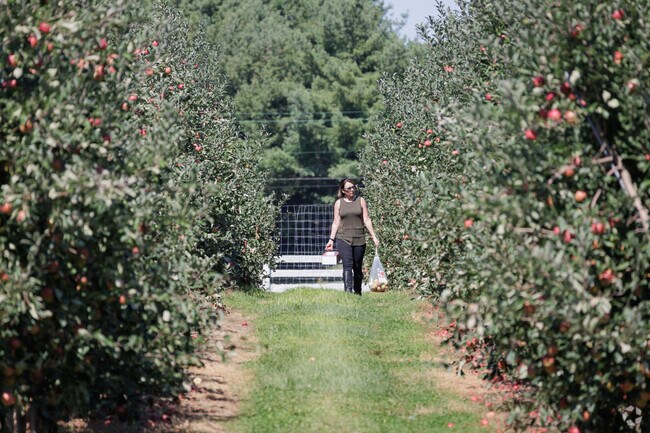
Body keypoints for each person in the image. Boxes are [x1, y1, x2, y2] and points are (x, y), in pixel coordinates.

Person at [325, 178, 379, 295]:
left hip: (359, 238)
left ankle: (358, 292)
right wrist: (331, 239)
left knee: (357, 266)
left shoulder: (361, 201)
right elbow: (336, 222)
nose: (352, 189)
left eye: (353, 187)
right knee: (347, 265)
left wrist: (374, 236)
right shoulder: (339, 203)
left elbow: (366, 219)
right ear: (343, 190)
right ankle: (348, 293)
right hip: (343, 238)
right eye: (349, 188)